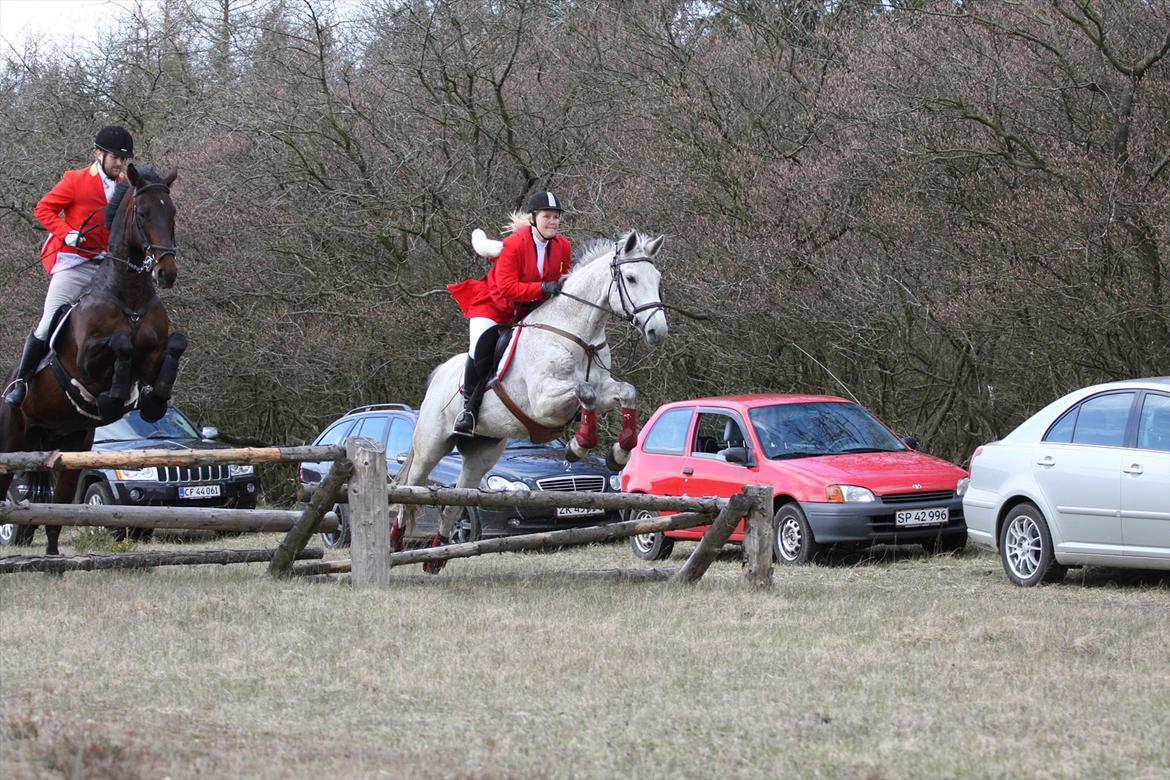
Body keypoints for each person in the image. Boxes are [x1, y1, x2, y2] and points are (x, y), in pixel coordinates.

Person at [3, 125, 134, 407]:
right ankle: (21, 382)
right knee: (48, 321)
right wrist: (67, 232)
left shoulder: (126, 187)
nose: (120, 163)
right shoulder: (75, 181)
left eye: (124, 159)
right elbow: (43, 209)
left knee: (135, 315)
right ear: (98, 154)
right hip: (76, 262)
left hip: (108, 266)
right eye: (115, 157)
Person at [447, 191, 572, 436]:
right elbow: (506, 288)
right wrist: (543, 288)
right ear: (534, 218)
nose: (553, 222)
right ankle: (469, 411)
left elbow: (561, 277)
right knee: (479, 346)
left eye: (557, 217)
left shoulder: (563, 246)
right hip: (494, 306)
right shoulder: (514, 245)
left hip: (527, 310)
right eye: (547, 216)